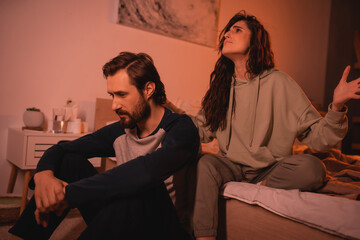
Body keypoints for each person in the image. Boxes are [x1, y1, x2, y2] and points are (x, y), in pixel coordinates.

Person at [166, 11, 360, 240]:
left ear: (255, 41)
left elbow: (320, 139)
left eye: (237, 30)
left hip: (271, 170)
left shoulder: (280, 82)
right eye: (227, 30)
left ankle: (262, 186)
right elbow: (199, 130)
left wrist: (336, 107)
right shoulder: (220, 88)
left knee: (313, 167)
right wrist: (168, 109)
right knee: (205, 162)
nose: (227, 33)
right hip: (231, 166)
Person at [9, 52, 199, 240]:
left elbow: (146, 172)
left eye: (122, 95)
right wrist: (43, 176)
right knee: (69, 161)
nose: (114, 105)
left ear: (148, 89)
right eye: (112, 95)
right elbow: (62, 148)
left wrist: (69, 194)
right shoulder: (122, 130)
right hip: (122, 218)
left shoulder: (181, 128)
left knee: (139, 185)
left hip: (163, 230)